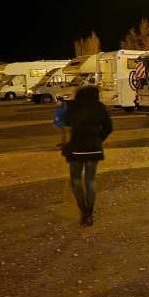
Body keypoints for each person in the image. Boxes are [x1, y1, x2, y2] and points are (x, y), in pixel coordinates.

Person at [62, 86, 113, 226]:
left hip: (76, 147)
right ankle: (89, 214)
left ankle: (83, 210)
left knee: (76, 180)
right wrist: (98, 139)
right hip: (93, 148)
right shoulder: (99, 107)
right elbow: (109, 128)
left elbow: (66, 123)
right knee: (90, 180)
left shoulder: (73, 107)